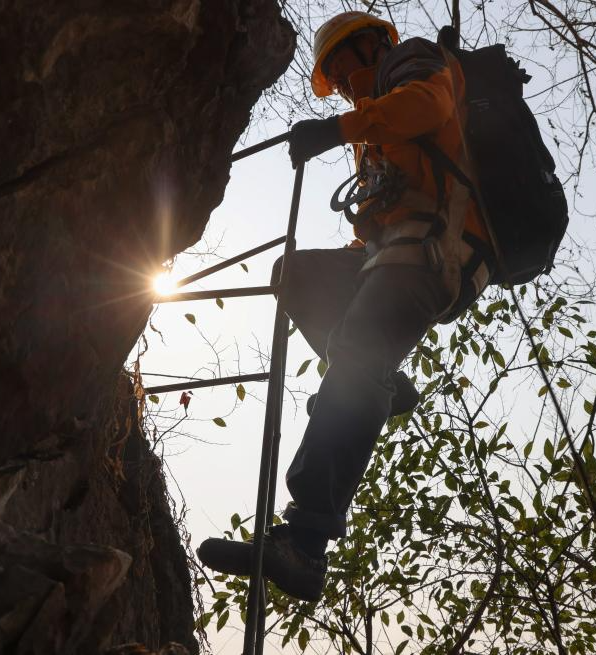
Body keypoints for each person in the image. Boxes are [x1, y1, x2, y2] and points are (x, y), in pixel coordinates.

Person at [197, 11, 492, 602]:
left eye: (340, 63)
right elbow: (374, 228)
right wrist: (350, 137)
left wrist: (337, 129)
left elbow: (430, 108)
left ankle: (305, 545)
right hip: (394, 252)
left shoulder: (410, 63)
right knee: (297, 274)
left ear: (372, 45)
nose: (338, 76)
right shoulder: (373, 126)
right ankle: (381, 380)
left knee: (356, 353)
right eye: (330, 72)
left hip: (440, 247)